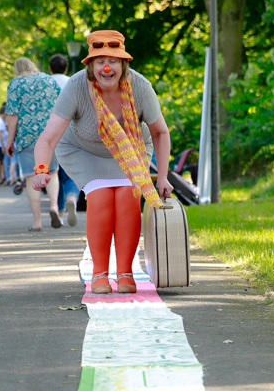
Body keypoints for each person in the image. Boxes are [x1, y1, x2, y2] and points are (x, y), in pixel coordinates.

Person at [32, 29, 171, 294]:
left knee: (128, 196)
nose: (106, 68)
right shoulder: (76, 87)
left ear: (123, 64)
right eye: (99, 61)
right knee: (101, 196)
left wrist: (162, 177)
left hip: (130, 148)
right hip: (82, 150)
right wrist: (41, 169)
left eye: (114, 61)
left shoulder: (140, 86)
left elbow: (160, 132)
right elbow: (48, 137)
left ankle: (126, 273)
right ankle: (99, 274)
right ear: (91, 65)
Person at [4, 57, 64, 231]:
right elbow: (61, 106)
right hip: (50, 134)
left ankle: (37, 222)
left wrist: (10, 140)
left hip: (26, 136)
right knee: (52, 173)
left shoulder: (15, 84)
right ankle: (54, 206)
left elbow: (12, 115)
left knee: (32, 178)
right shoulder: (49, 80)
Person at [48, 54, 79, 221]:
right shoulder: (73, 82)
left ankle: (59, 212)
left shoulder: (45, 84)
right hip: (71, 133)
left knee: (54, 174)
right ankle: (72, 198)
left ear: (50, 68)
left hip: (51, 133)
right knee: (71, 173)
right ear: (66, 68)